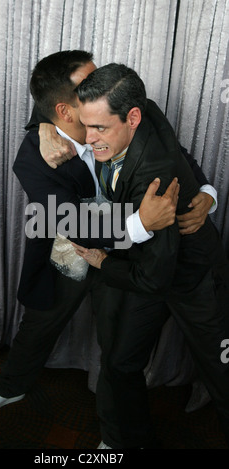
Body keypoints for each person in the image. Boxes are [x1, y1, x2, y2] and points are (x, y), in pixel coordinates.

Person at [0, 51, 214, 449]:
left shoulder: (117, 109)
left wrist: (206, 192)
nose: (98, 90)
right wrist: (139, 223)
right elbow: (67, 224)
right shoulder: (34, 155)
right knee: (39, 325)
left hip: (127, 258)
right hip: (72, 251)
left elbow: (169, 149)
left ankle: (115, 438)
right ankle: (11, 386)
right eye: (86, 87)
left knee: (117, 351)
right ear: (64, 110)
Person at [69, 63, 229, 448]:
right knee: (121, 362)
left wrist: (103, 261)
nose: (88, 139)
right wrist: (206, 188)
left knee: (222, 373)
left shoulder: (150, 181)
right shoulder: (146, 108)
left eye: (100, 129)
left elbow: (154, 278)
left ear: (132, 118)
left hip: (191, 276)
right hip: (148, 266)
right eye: (85, 125)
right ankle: (133, 442)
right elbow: (179, 150)